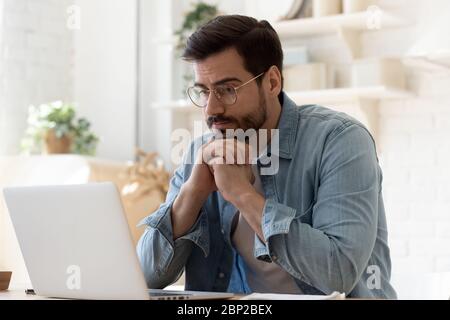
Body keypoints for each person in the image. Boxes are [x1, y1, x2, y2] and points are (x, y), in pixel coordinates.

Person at [137, 14, 396, 298]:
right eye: (203, 91)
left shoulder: (339, 141)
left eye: (227, 90)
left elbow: (338, 273)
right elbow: (144, 277)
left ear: (272, 82)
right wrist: (193, 192)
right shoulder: (200, 152)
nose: (212, 109)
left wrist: (241, 194)